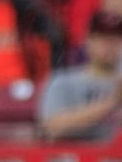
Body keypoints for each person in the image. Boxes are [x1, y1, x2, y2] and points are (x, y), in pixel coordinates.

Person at [39, 10, 122, 141]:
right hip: (80, 157)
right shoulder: (64, 81)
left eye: (116, 39)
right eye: (103, 38)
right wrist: (112, 102)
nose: (110, 45)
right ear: (88, 40)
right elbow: (52, 126)